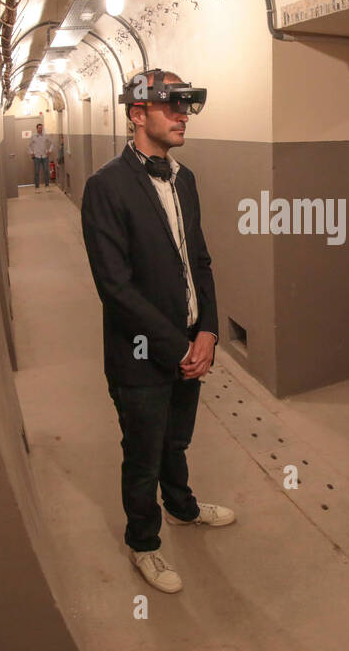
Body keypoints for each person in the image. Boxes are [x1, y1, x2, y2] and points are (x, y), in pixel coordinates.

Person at [80, 68, 235, 594]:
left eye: (186, 106)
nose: (182, 115)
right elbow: (115, 287)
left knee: (177, 440)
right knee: (142, 454)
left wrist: (209, 332)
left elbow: (202, 261)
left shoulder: (184, 179)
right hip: (142, 354)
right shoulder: (105, 186)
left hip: (192, 344)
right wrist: (178, 348)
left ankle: (183, 508)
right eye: (171, 105)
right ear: (137, 113)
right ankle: (143, 543)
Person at [29, 122, 52, 189]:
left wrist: (49, 151)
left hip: (45, 156)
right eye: (39, 128)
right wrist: (31, 152)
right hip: (37, 157)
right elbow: (28, 146)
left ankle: (47, 185)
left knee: (46, 171)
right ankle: (37, 187)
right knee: (36, 172)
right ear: (37, 129)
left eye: (41, 128)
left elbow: (52, 143)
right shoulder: (33, 136)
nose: (40, 129)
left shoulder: (45, 135)